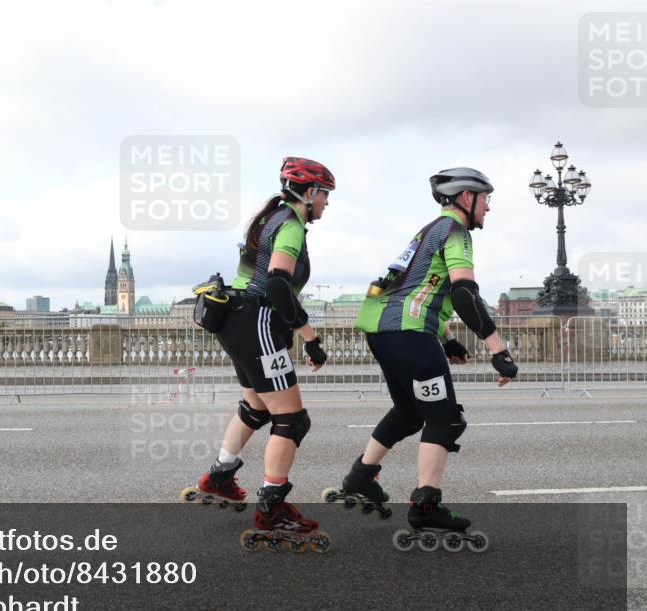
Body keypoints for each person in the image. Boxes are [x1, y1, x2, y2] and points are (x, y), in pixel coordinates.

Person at [336, 167, 518, 543]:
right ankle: (425, 506)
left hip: (381, 329)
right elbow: (464, 292)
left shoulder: (429, 230)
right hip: (409, 333)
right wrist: (497, 348)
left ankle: (360, 476)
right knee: (445, 420)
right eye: (485, 199)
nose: (488, 207)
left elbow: (414, 288)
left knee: (409, 412)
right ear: (466, 197)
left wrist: (447, 338)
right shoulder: (457, 232)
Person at [182, 156, 334, 551]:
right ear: (309, 193)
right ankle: (273, 510)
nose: (327, 203)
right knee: (292, 420)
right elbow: (278, 285)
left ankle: (219, 477)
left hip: (236, 322)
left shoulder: (270, 217)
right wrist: (310, 337)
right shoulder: (291, 224)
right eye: (325, 194)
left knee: (256, 407)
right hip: (258, 322)